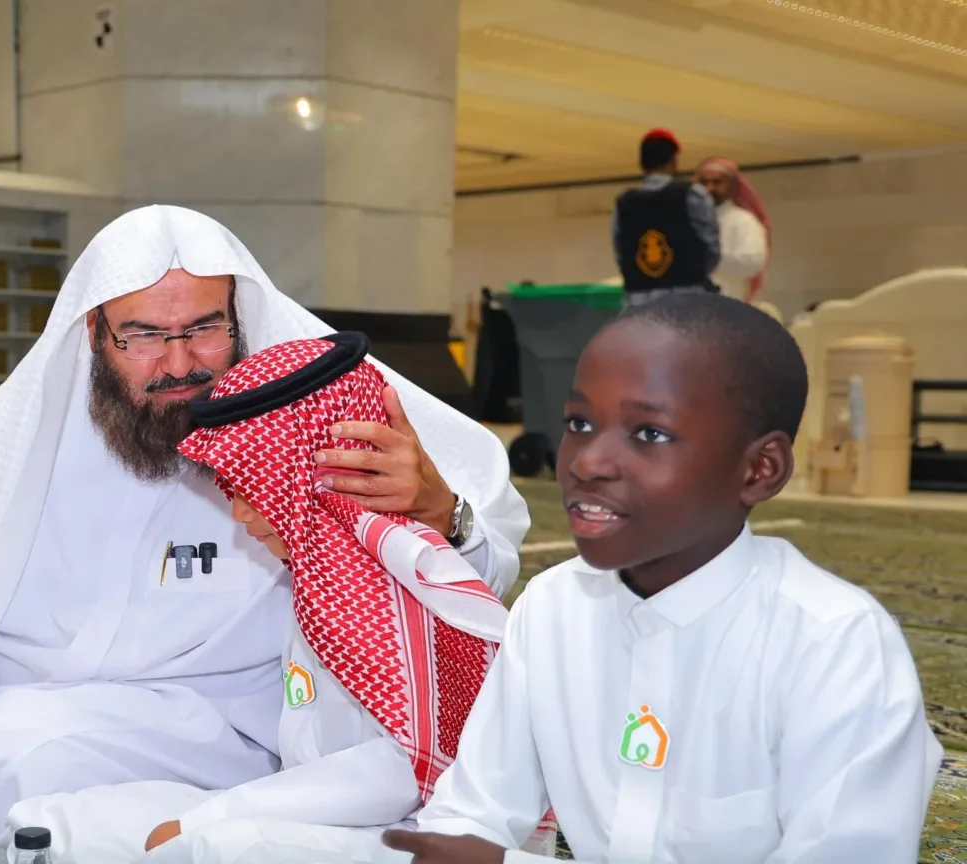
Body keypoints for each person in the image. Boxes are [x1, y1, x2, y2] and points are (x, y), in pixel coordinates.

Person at [0, 205, 529, 864]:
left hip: (213, 720)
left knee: (11, 767)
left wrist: (441, 511)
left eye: (204, 330)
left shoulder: (297, 418)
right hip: (5, 691)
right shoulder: (30, 431)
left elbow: (461, 605)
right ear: (93, 338)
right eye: (143, 335)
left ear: (239, 317)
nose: (179, 363)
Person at [393, 293, 943, 863]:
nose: (587, 462)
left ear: (761, 469)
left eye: (649, 433)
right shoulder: (554, 608)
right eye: (580, 423)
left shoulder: (835, 643)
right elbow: (470, 819)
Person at [2, 333, 557, 863]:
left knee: (199, 849)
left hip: (408, 836)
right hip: (304, 808)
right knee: (57, 818)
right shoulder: (324, 571)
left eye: (257, 488)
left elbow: (396, 771)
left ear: (317, 472)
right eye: (232, 491)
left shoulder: (388, 579)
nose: (242, 516)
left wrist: (211, 820)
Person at [612, 129, 719, 308]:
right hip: (687, 299)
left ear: (642, 163)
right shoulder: (693, 195)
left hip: (638, 304)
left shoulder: (624, 203)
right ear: (673, 161)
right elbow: (711, 247)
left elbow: (620, 253)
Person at [695, 156, 769, 304]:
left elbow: (753, 262)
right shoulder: (689, 219)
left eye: (717, 182)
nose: (710, 188)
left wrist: (710, 257)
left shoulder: (742, 221)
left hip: (727, 307)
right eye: (704, 183)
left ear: (732, 186)